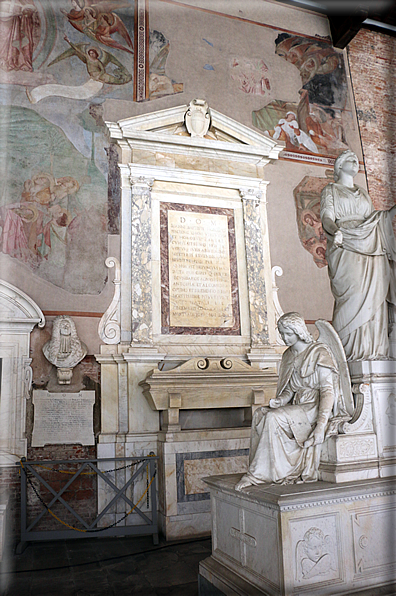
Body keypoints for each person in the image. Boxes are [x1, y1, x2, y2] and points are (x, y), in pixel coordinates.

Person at [235, 312, 347, 489]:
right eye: (281, 334)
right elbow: (290, 388)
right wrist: (281, 400)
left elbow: (328, 391)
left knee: (274, 418)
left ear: (299, 331)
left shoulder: (319, 352)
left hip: (313, 407)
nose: (285, 338)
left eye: (288, 333)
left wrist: (320, 426)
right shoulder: (288, 355)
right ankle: (272, 469)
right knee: (260, 414)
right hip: (297, 405)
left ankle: (257, 475)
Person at [320, 149, 396, 361]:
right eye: (350, 159)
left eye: (356, 160)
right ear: (339, 166)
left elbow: (376, 219)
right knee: (353, 293)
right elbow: (327, 217)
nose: (355, 162)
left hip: (371, 244)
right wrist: (335, 231)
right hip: (345, 243)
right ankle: (348, 354)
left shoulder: (363, 192)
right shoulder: (331, 190)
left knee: (376, 296)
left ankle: (374, 351)